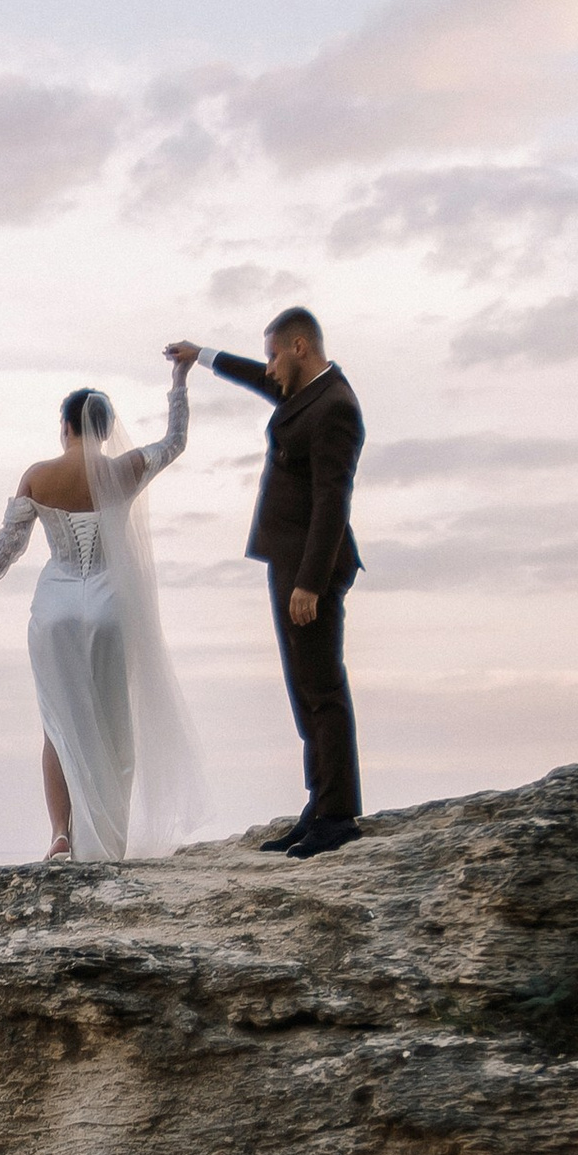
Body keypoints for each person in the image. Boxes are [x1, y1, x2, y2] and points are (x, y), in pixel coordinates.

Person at [0, 363, 207, 859]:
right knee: (115, 724)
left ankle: (60, 833)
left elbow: (7, 548)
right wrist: (179, 379)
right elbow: (176, 441)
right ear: (107, 429)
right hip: (114, 605)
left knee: (57, 724)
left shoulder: (39, 476)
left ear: (66, 426)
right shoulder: (126, 469)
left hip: (58, 609)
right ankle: (109, 839)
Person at [168, 310, 363, 857]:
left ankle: (339, 815)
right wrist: (202, 355)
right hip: (290, 563)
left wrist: (310, 582)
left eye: (276, 354)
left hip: (311, 570)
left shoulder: (335, 408)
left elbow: (332, 502)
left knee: (322, 688)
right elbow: (263, 378)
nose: (271, 366)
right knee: (302, 688)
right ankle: (319, 801)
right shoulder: (306, 393)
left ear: (300, 347)